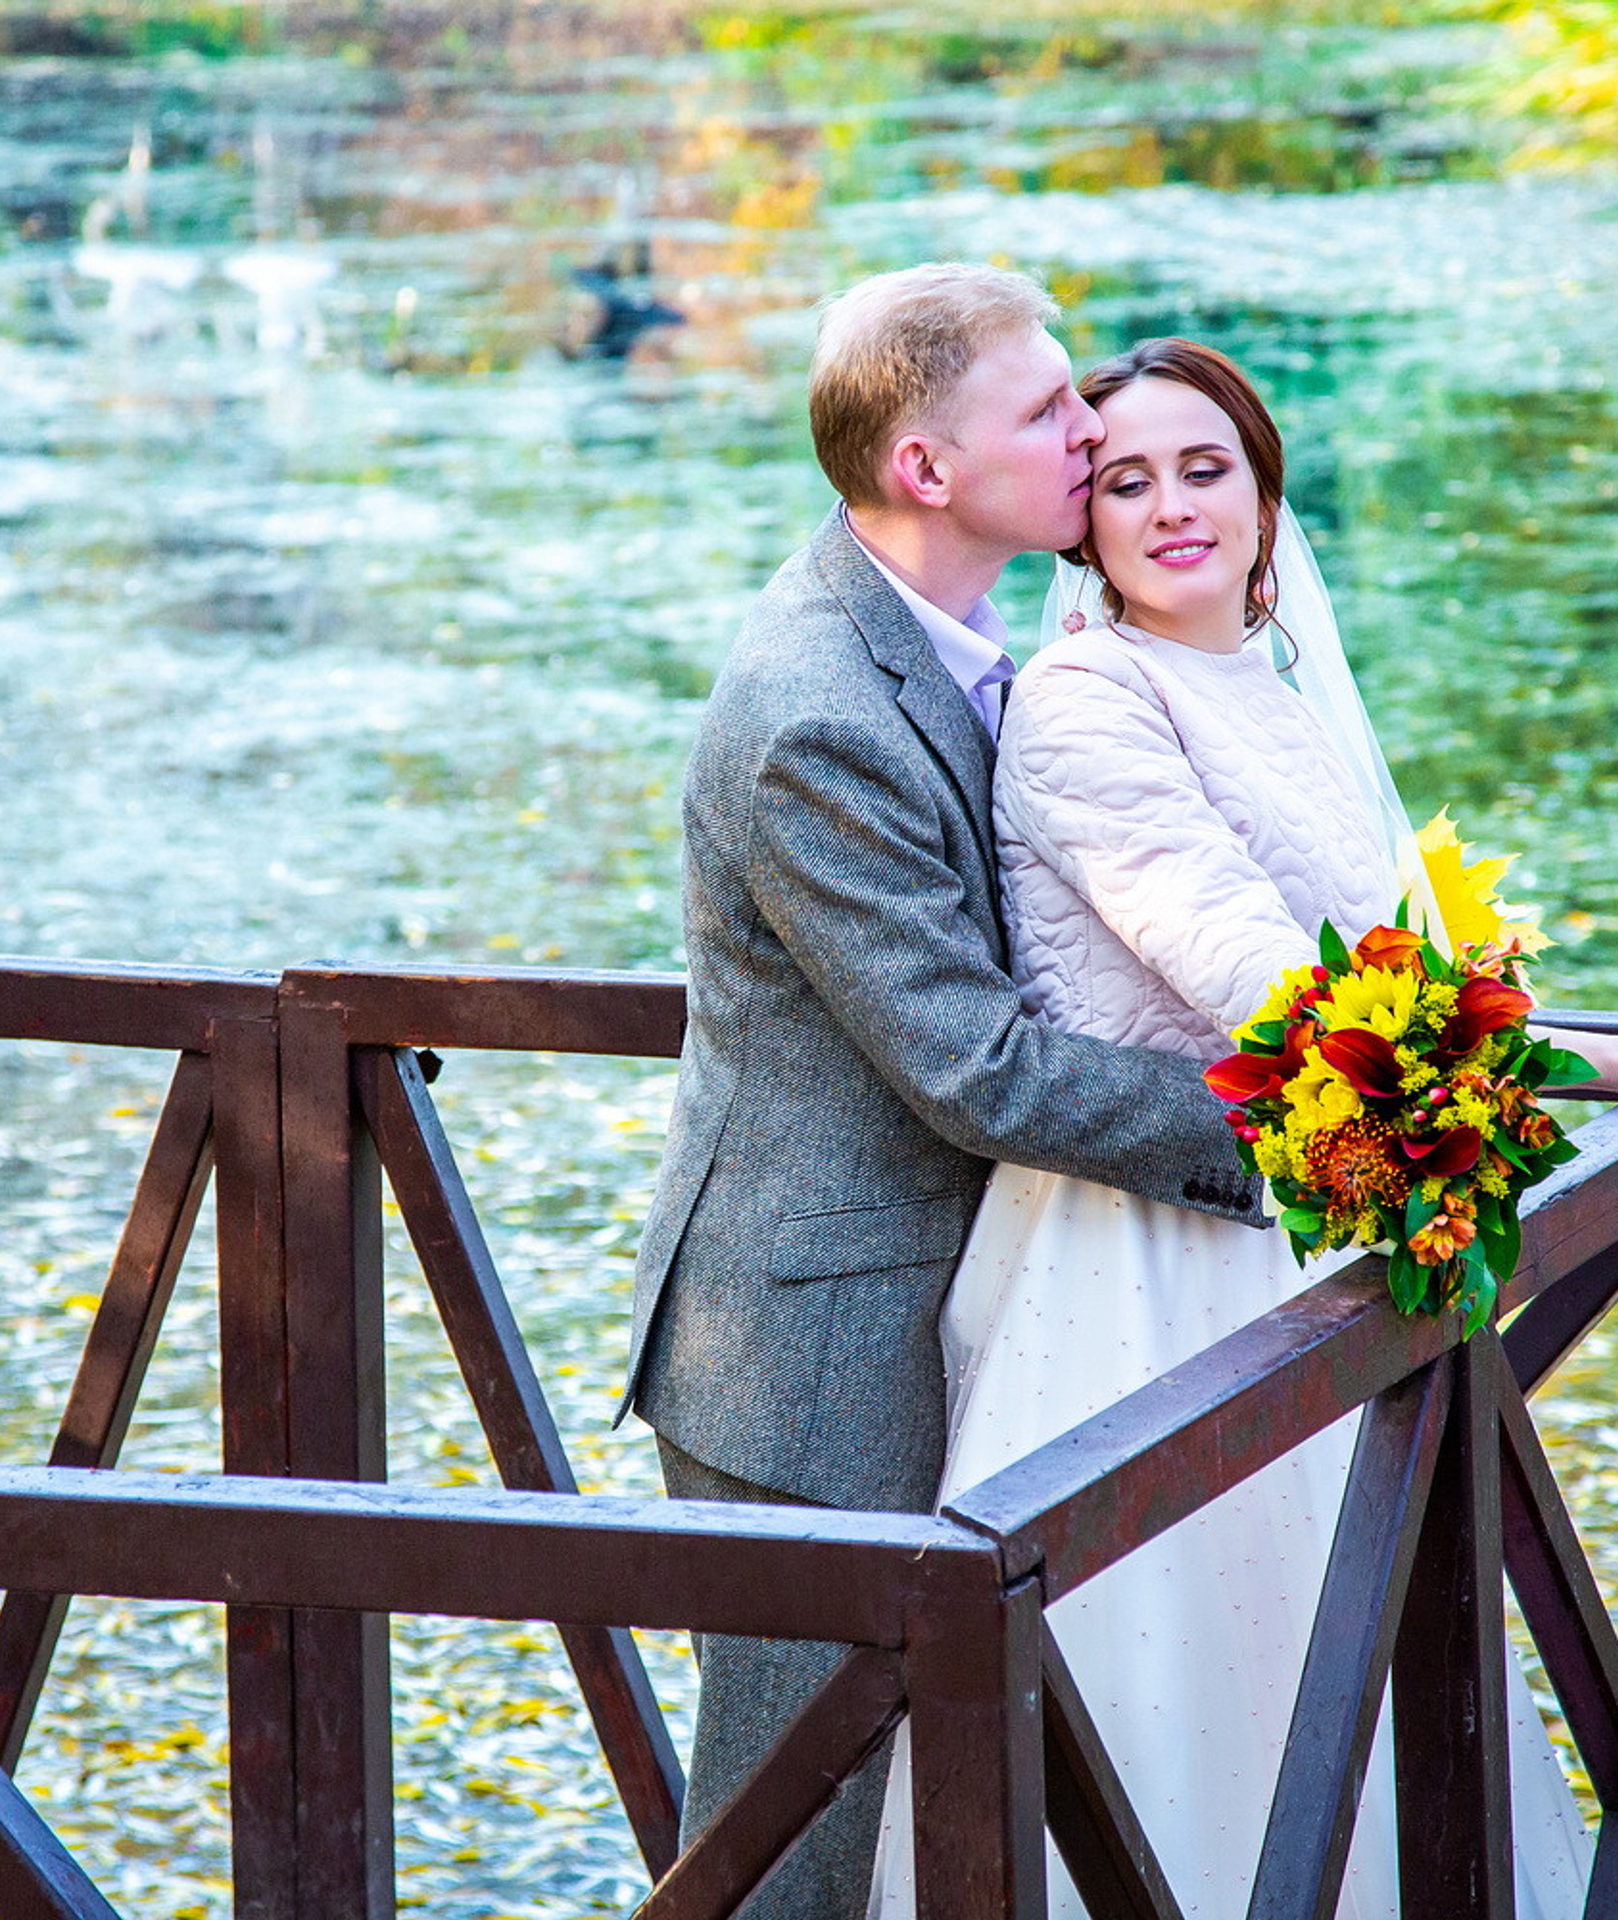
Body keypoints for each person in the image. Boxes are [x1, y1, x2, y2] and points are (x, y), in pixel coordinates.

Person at [866, 336, 1607, 1917]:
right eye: (1126, 482)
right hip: (1143, 1269)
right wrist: (1484, 1085)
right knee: (1196, 1705)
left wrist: (1532, 1057)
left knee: (1356, 1686)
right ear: (1084, 527)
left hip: (1297, 1246)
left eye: (1207, 470)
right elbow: (1257, 973)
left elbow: (1397, 956)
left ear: (1269, 500)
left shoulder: (1270, 684)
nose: (1172, 507)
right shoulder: (1081, 700)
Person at [617, 266, 1264, 1919]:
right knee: (797, 1854)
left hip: (959, 1304)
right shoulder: (811, 713)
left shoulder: (969, 636)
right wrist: (1283, 1126)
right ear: (925, 471)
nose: (1091, 427)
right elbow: (972, 1062)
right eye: (1050, 412)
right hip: (811, 1356)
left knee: (960, 1819)